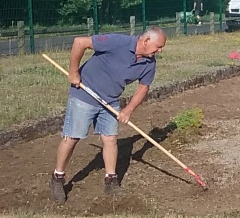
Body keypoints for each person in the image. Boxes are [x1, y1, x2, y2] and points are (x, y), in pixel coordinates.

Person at [49, 28, 168, 203]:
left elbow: (144, 88)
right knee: (73, 137)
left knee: (110, 139)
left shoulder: (149, 63)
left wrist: (128, 110)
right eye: (158, 47)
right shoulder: (117, 42)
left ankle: (111, 179)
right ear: (146, 41)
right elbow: (79, 42)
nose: (160, 51)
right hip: (85, 93)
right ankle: (57, 177)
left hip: (110, 101)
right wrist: (74, 72)